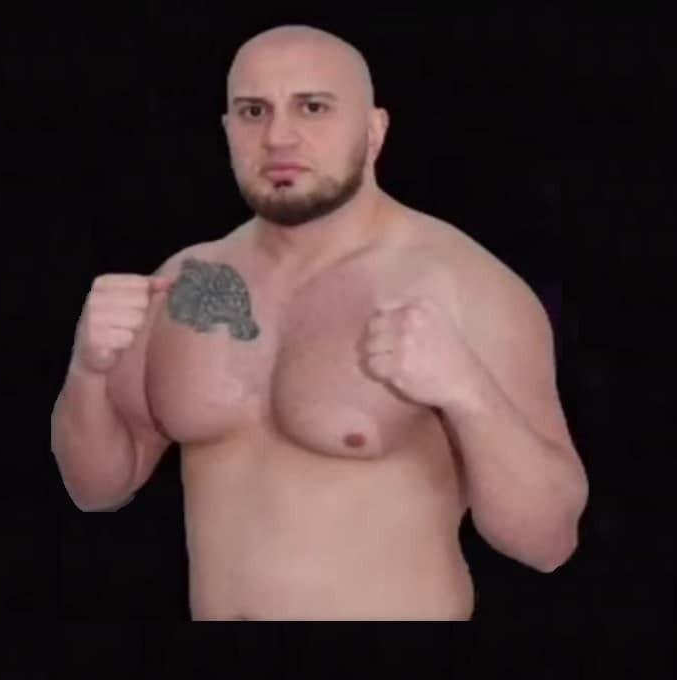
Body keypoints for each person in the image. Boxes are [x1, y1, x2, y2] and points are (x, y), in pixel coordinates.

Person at [50, 24, 589, 621]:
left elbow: (548, 543)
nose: (278, 136)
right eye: (253, 111)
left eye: (313, 107)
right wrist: (88, 371)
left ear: (374, 130)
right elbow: (98, 487)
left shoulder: (463, 285)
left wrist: (468, 391)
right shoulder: (186, 282)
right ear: (227, 130)